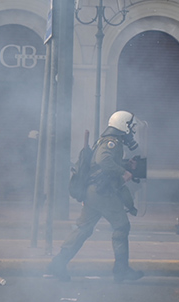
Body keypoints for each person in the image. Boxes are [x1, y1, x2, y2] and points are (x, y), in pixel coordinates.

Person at [46, 110, 144, 283]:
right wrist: (123, 171)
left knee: (84, 229)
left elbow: (104, 162)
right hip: (102, 193)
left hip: (94, 193)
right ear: (123, 126)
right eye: (131, 126)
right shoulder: (111, 142)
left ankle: (58, 263)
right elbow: (102, 161)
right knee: (121, 226)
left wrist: (124, 163)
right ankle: (121, 270)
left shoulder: (108, 140)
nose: (132, 131)